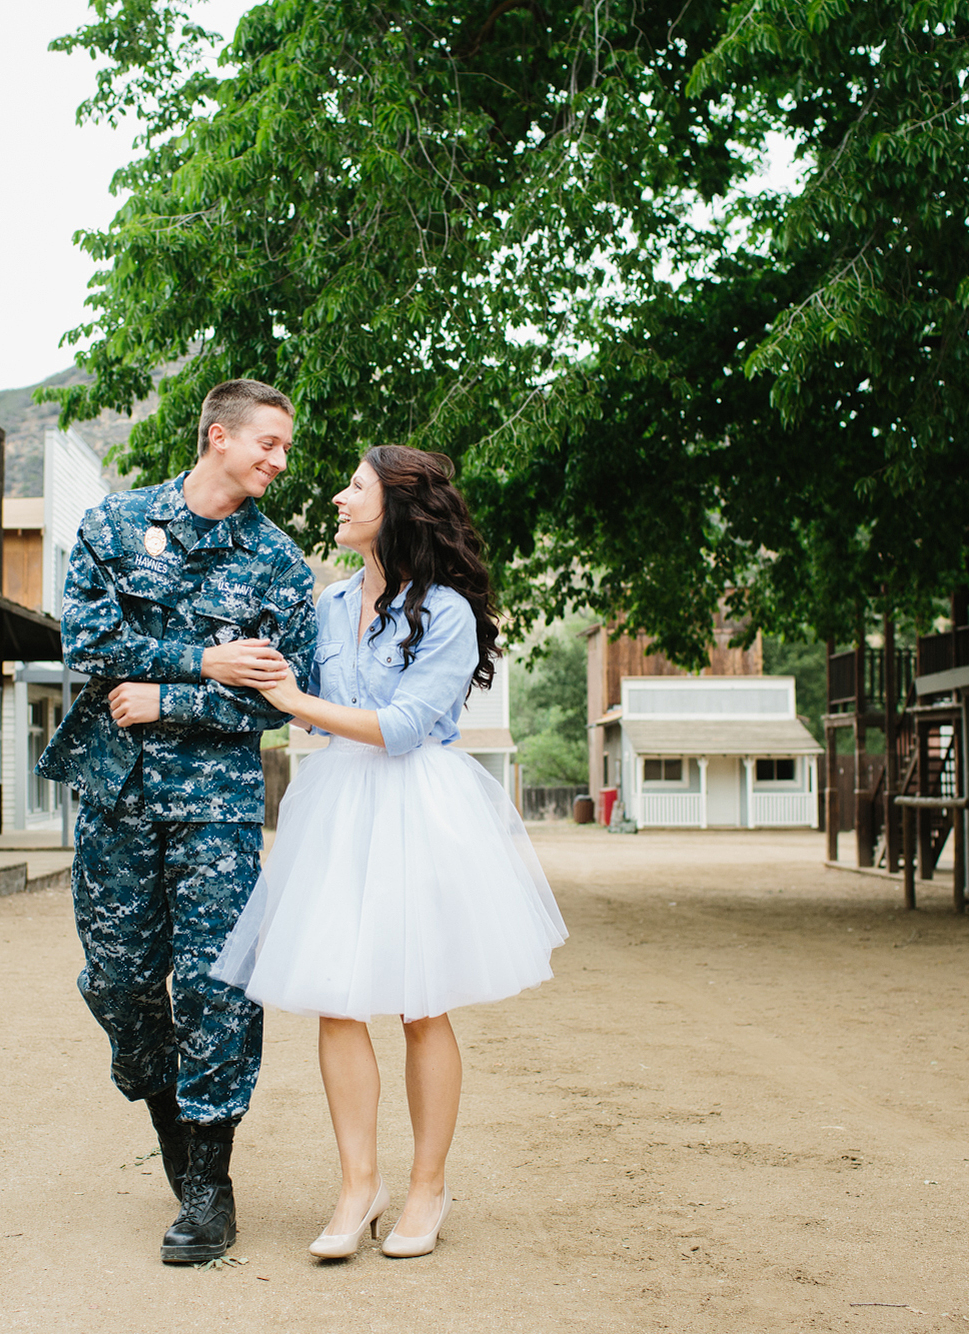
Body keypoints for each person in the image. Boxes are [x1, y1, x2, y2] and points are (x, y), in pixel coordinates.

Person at [212, 445, 567, 1260]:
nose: (338, 497)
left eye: (356, 487)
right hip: (336, 807)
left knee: (419, 1002)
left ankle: (426, 1189)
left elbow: (406, 727)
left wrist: (299, 699)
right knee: (338, 1001)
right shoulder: (329, 604)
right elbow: (303, 709)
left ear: (398, 507)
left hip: (417, 808)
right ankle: (356, 1185)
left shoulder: (446, 611)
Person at [37, 378, 316, 1264]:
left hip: (217, 808)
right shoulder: (114, 527)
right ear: (217, 436)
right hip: (116, 794)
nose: (279, 460)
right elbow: (86, 644)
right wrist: (203, 659)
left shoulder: (278, 565)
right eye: (267, 443)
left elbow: (277, 701)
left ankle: (206, 1183)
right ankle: (155, 1085)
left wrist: (169, 697)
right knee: (120, 984)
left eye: (285, 448)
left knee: (215, 986)